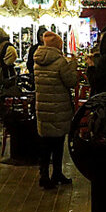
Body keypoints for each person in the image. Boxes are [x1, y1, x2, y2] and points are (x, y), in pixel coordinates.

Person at [32, 30, 79, 188]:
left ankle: (44, 175)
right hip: (58, 107)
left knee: (44, 144)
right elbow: (71, 81)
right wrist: (73, 65)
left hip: (43, 107)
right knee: (58, 143)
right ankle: (57, 173)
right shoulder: (60, 62)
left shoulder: (37, 61)